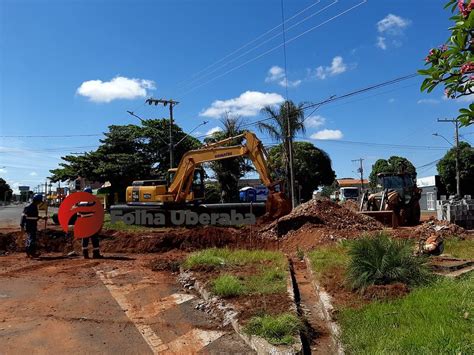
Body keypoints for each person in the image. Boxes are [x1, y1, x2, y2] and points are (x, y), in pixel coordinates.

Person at [80, 187, 103, 259]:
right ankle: (96, 254)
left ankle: (85, 255)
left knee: (85, 239)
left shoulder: (80, 202)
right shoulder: (92, 201)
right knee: (94, 238)